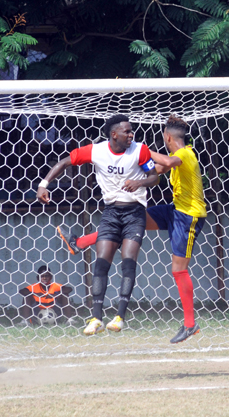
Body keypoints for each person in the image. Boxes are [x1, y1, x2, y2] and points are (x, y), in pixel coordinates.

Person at [57, 115, 206, 344]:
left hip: (189, 217)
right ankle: (80, 243)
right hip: (175, 209)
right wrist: (135, 169)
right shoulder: (178, 156)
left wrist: (141, 150)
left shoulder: (184, 154)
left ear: (167, 137)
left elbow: (167, 163)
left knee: (179, 270)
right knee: (134, 221)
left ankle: (189, 324)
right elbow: (156, 170)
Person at [36, 114, 159, 336]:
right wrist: (43, 184)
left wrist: (139, 182)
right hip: (111, 212)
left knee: (128, 262)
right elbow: (65, 162)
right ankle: (96, 318)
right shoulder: (97, 151)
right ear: (114, 134)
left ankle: (120, 317)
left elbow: (154, 177)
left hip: (135, 212)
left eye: (132, 131)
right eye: (127, 131)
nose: (131, 135)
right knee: (101, 264)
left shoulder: (140, 150)